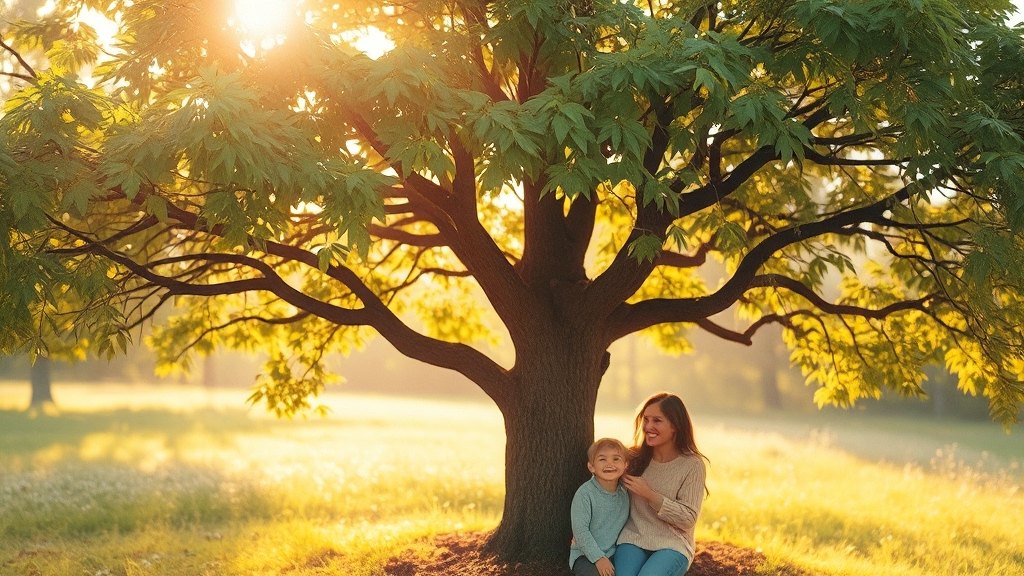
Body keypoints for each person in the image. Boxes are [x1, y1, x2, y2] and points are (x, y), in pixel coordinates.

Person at [614, 392, 708, 576]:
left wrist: (650, 495)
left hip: (673, 543)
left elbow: (688, 519)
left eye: (657, 420)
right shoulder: (632, 458)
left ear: (675, 426)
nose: (648, 426)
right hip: (633, 538)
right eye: (646, 419)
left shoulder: (693, 465)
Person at [569, 437, 631, 576]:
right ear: (591, 467)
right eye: (602, 459)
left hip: (614, 553)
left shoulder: (624, 492)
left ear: (626, 464)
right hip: (585, 555)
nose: (610, 464)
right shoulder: (585, 494)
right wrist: (598, 558)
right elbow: (580, 531)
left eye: (616, 459)